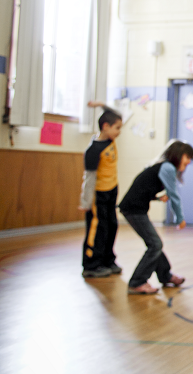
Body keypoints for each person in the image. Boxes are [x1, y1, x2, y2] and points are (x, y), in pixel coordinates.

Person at [118, 140, 193, 295]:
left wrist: (158, 198)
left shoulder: (163, 166)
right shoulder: (167, 167)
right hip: (133, 209)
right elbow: (174, 195)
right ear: (178, 155)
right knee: (155, 244)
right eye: (188, 156)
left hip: (135, 207)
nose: (189, 160)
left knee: (154, 244)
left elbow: (144, 188)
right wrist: (180, 218)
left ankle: (165, 276)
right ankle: (137, 282)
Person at [79, 101, 123, 278]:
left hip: (111, 191)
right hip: (98, 195)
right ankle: (91, 263)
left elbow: (116, 113)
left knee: (112, 225)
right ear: (105, 127)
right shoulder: (93, 150)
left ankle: (107, 259)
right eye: (117, 128)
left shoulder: (111, 140)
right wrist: (86, 201)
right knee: (98, 228)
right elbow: (89, 178)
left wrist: (101, 105)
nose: (119, 132)